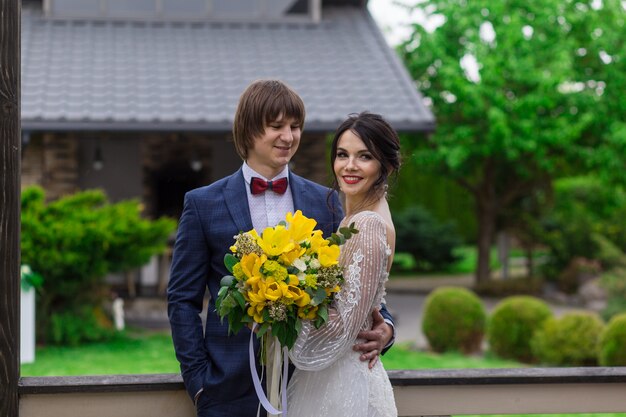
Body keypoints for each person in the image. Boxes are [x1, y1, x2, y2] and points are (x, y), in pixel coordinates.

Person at [167, 80, 395, 417]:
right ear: (247, 130)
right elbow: (181, 299)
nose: (288, 137)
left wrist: (386, 329)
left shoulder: (329, 203)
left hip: (312, 385)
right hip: (227, 391)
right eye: (276, 126)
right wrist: (199, 383)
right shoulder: (202, 204)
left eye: (295, 126)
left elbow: (358, 281)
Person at [287, 112, 401, 417]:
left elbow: (346, 327)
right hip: (331, 375)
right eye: (342, 154)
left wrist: (283, 311)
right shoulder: (353, 219)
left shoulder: (368, 224)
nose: (349, 166)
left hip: (342, 383)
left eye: (364, 156)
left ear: (386, 165)